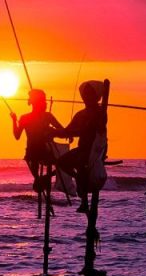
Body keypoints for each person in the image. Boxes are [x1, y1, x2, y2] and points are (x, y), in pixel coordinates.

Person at [53, 80, 106, 212]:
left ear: (96, 96)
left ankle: (84, 202)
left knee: (82, 167)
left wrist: (62, 132)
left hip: (95, 149)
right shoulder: (80, 114)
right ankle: (79, 179)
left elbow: (85, 131)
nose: (86, 97)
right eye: (85, 94)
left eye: (90, 94)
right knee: (61, 162)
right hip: (82, 149)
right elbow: (68, 130)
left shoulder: (100, 112)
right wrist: (53, 132)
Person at [11, 89, 64, 192]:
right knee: (61, 164)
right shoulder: (46, 116)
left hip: (34, 152)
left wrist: (13, 120)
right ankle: (44, 178)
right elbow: (61, 131)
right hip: (39, 152)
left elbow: (17, 136)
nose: (28, 99)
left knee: (58, 163)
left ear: (34, 101)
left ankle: (40, 179)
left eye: (30, 97)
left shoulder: (26, 117)